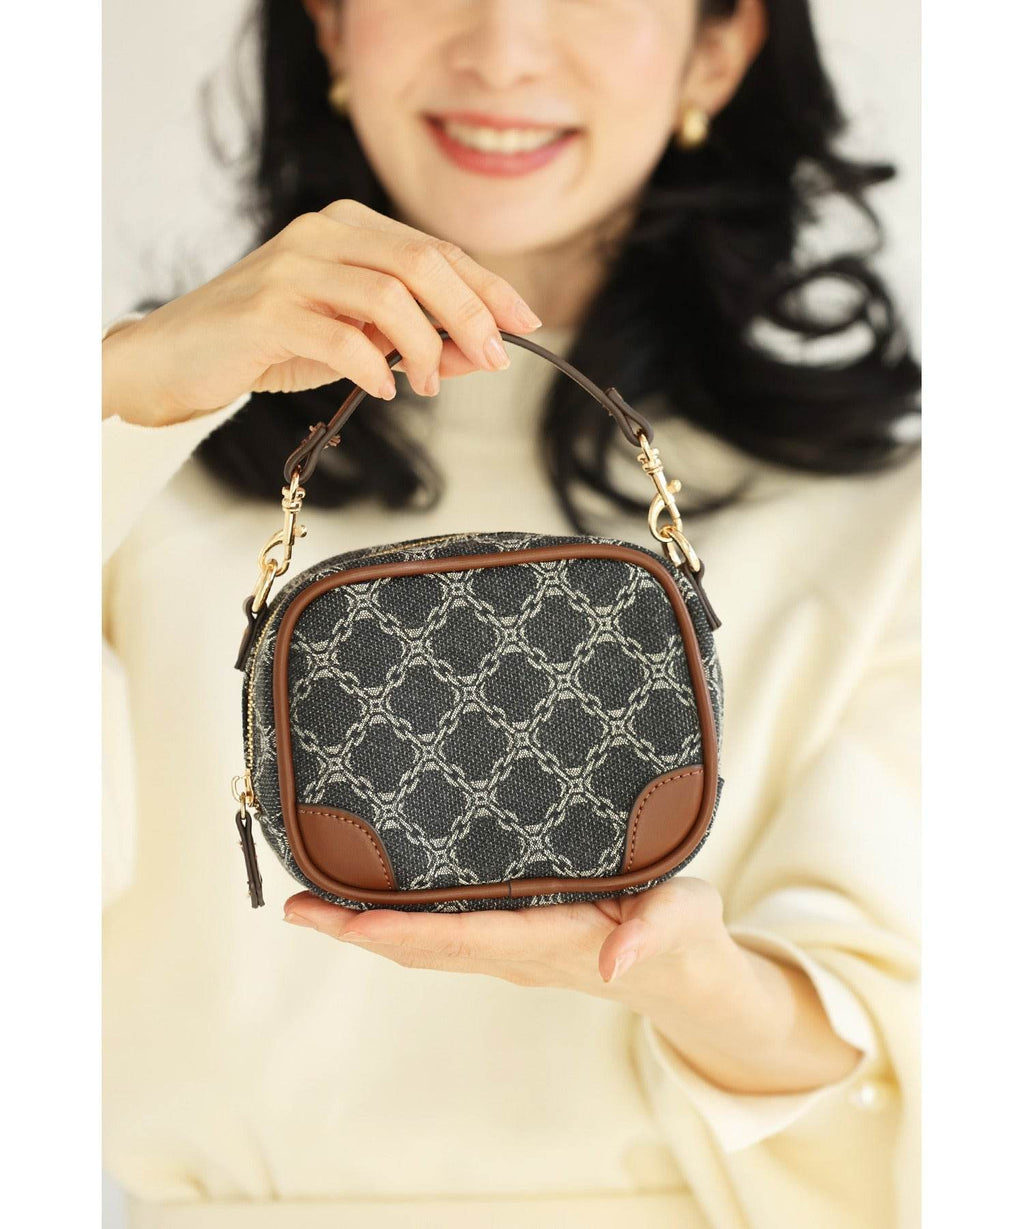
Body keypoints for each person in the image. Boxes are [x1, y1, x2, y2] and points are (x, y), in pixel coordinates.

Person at [102, 1, 920, 1226]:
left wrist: (687, 979)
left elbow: (923, 1116)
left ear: (717, 49)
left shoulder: (898, 520)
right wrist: (110, 387)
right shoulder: (119, 469)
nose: (502, 48)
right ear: (329, 22)